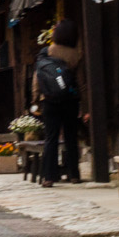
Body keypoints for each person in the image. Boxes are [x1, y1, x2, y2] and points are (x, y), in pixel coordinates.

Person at [34, 18, 84, 187]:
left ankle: (49, 176)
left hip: (49, 100)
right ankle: (74, 174)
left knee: (51, 138)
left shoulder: (46, 52)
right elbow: (81, 81)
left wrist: (35, 100)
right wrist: (85, 106)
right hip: (70, 100)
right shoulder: (76, 54)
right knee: (71, 137)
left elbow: (38, 78)